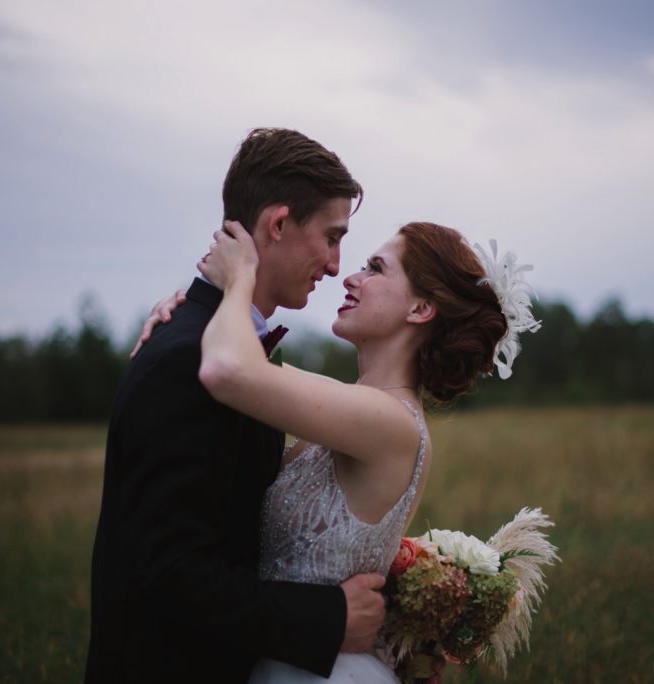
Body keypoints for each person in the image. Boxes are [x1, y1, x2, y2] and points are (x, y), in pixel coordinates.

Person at [140, 218, 539, 682]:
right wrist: (183, 319)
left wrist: (237, 280)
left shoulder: (390, 422)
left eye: (375, 269)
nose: (350, 277)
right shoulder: (353, 409)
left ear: (421, 308)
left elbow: (230, 370)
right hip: (291, 654)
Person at [85, 128, 384, 684]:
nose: (337, 264)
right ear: (277, 224)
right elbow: (170, 570)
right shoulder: (185, 361)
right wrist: (328, 620)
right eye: (332, 236)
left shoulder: (227, 353)